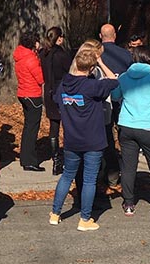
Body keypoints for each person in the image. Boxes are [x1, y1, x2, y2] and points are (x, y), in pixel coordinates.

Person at [49, 41, 118, 231]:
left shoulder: (63, 86)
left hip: (72, 139)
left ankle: (55, 213)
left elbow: (55, 99)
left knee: (66, 176)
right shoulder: (92, 86)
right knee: (89, 179)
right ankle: (85, 219)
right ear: (92, 67)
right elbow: (114, 80)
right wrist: (101, 62)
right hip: (93, 140)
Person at [113, 45, 150, 218]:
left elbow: (116, 95)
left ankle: (129, 203)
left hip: (127, 125)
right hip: (149, 127)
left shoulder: (124, 77)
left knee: (128, 167)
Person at [98, 23, 133, 187]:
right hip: (122, 101)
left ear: (100, 36)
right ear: (115, 36)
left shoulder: (96, 55)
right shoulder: (125, 55)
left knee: (105, 137)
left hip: (101, 102)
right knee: (124, 136)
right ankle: (124, 172)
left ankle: (110, 171)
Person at [41, 26, 70, 175]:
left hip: (49, 92)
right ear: (59, 38)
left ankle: (56, 159)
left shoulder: (44, 54)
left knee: (54, 127)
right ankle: (66, 158)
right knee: (68, 126)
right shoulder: (62, 55)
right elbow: (70, 71)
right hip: (62, 91)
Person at [14, 31, 45, 171]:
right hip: (32, 95)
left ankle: (25, 157)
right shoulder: (31, 59)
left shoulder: (20, 56)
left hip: (23, 93)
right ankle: (30, 160)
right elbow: (40, 78)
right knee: (32, 129)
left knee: (28, 127)